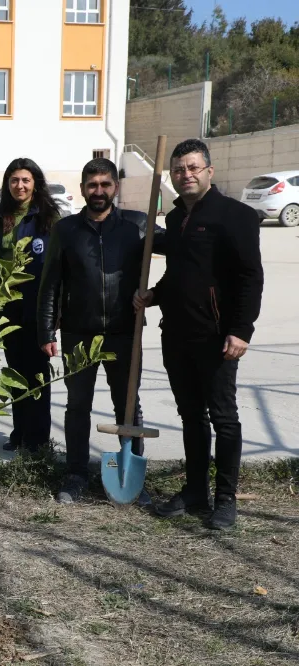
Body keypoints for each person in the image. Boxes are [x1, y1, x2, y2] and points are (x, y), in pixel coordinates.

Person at [135, 139, 263, 530]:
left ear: (209, 170)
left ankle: (224, 500)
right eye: (178, 169)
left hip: (217, 336)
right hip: (177, 333)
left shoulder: (234, 215)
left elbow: (250, 278)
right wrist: (154, 295)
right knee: (191, 415)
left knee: (223, 417)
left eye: (192, 167)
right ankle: (194, 491)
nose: (185, 174)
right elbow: (180, 274)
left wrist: (241, 331)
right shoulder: (177, 219)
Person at [37, 158, 161, 505]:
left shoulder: (137, 225)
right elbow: (50, 286)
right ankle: (76, 472)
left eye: (105, 184)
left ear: (115, 188)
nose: (99, 191)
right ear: (82, 190)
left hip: (125, 331)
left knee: (128, 406)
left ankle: (132, 473)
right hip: (79, 334)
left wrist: (156, 294)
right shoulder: (66, 231)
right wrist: (47, 331)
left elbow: (183, 252)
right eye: (92, 185)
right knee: (78, 405)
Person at [0, 159, 61, 454]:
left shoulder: (47, 217)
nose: (20, 186)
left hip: (37, 307)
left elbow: (56, 267)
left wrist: (55, 311)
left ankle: (38, 439)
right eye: (14, 180)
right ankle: (19, 433)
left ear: (35, 184)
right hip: (9, 308)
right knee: (15, 371)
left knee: (37, 372)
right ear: (8, 184)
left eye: (26, 180)